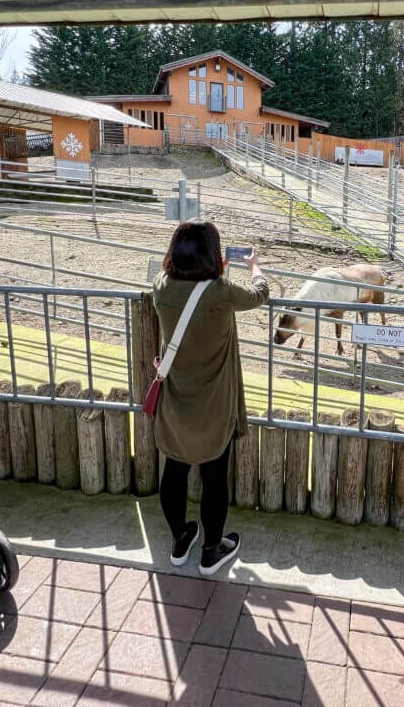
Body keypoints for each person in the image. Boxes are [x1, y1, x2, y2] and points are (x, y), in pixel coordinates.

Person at [152, 220, 269, 576]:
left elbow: (190, 294)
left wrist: (214, 272)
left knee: (174, 469)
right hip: (215, 404)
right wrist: (253, 265)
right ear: (213, 256)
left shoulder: (161, 287)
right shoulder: (222, 292)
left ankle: (179, 540)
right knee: (214, 477)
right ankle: (210, 551)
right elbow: (260, 293)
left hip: (175, 399)